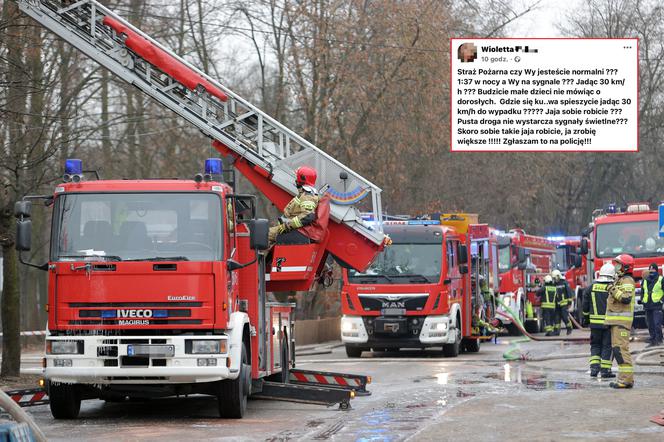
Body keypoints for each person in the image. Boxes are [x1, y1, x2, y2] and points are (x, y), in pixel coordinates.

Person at [606, 254, 636, 389]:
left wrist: (612, 289)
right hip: (617, 322)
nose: (616, 266)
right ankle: (624, 379)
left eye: (619, 264)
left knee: (621, 350)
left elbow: (626, 298)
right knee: (617, 350)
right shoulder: (620, 280)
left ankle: (626, 380)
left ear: (626, 266)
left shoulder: (627, 281)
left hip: (622, 323)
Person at [268, 166, 319, 245]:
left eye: (297, 177)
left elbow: (307, 216)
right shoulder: (304, 194)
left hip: (291, 230)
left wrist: (287, 226)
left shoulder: (308, 196)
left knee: (262, 235)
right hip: (287, 228)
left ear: (301, 179)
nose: (295, 180)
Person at [582, 263, 616, 378]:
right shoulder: (612, 288)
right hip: (608, 323)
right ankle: (605, 370)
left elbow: (585, 307)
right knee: (607, 346)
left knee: (595, 345)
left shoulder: (590, 288)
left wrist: (586, 320)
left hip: (594, 325)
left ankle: (594, 369)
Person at [642, 262, 663, 347]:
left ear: (656, 270)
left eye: (653, 269)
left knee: (657, 323)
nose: (651, 271)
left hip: (657, 305)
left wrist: (662, 301)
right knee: (650, 324)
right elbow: (643, 292)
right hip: (648, 305)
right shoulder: (645, 280)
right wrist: (642, 300)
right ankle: (653, 340)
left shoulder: (661, 279)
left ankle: (659, 340)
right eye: (650, 269)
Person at [552, 269, 573, 335]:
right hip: (557, 304)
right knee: (556, 318)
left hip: (564, 304)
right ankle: (557, 331)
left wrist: (569, 302)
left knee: (565, 316)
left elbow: (569, 293)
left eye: (555, 278)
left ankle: (569, 328)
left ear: (558, 276)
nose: (554, 279)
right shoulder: (554, 284)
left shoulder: (564, 283)